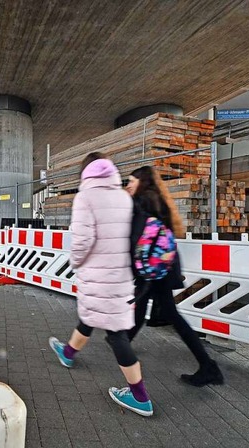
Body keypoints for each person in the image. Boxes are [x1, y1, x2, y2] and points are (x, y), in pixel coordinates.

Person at [49, 152, 153, 417]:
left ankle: (140, 396)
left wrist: (75, 261)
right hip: (119, 275)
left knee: (115, 333)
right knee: (93, 315)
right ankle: (68, 352)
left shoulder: (86, 197)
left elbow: (83, 239)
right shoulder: (122, 196)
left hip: (97, 273)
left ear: (86, 173)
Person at [126, 165, 224, 387]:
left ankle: (208, 367)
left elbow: (135, 240)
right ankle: (123, 341)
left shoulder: (143, 203)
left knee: (171, 315)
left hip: (153, 272)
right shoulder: (158, 201)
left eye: (131, 181)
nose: (128, 185)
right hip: (160, 269)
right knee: (149, 310)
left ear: (141, 182)